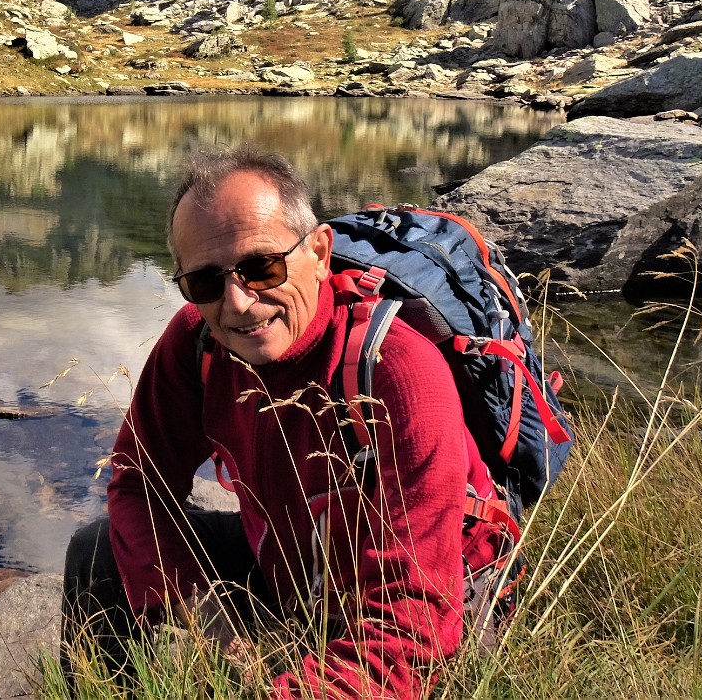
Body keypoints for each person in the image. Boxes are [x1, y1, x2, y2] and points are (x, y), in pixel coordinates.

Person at [63, 145, 486, 699]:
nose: (237, 302)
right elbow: (139, 482)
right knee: (95, 554)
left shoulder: (396, 372)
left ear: (319, 251)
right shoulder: (196, 344)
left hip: (426, 595)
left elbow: (412, 624)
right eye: (206, 282)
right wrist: (196, 605)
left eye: (262, 267)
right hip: (287, 561)